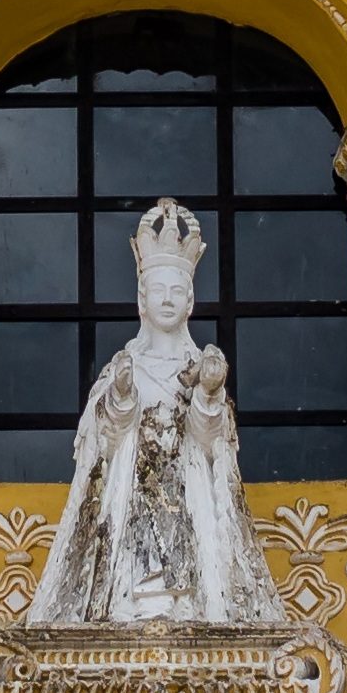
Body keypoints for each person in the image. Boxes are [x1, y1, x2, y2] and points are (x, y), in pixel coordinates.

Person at [25, 197, 276, 623]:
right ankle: (134, 599)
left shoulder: (197, 366)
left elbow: (213, 442)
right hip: (134, 494)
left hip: (186, 490)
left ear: (191, 300)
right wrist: (121, 396)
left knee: (187, 553)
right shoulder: (124, 365)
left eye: (176, 290)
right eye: (157, 289)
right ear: (142, 298)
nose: (166, 299)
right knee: (139, 560)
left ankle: (190, 601)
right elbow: (99, 442)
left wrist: (209, 394)